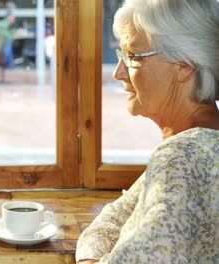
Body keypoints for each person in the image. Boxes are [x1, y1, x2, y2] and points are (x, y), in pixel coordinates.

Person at [76, 0, 218, 263]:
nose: (119, 72)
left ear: (184, 65)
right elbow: (113, 219)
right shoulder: (199, 146)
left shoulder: (182, 157)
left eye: (132, 56)